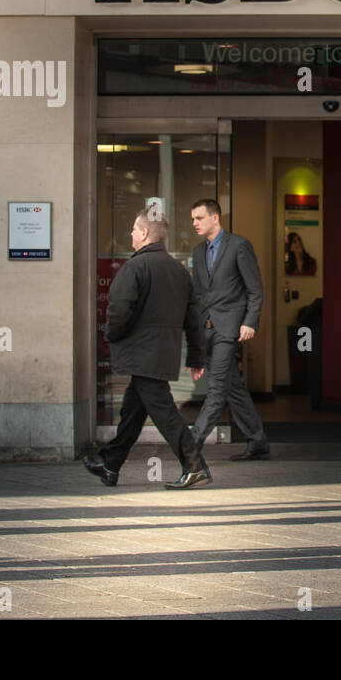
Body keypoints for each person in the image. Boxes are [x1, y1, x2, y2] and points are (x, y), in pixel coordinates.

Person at [84, 209, 210, 489]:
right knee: (132, 411)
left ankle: (195, 465)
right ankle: (110, 464)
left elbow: (118, 310)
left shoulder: (134, 267)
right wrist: (196, 356)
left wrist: (112, 336)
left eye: (133, 229)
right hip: (162, 354)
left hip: (140, 354)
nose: (130, 234)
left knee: (164, 413)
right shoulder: (179, 270)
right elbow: (194, 319)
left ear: (143, 234)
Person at [188, 199, 270, 461]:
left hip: (229, 329)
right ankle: (258, 441)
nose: (194, 224)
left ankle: (190, 445)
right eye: (192, 219)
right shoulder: (198, 252)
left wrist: (249, 321)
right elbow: (199, 296)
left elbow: (255, 289)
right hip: (207, 329)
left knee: (217, 387)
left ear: (215, 218)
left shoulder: (239, 246)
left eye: (199, 218)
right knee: (233, 387)